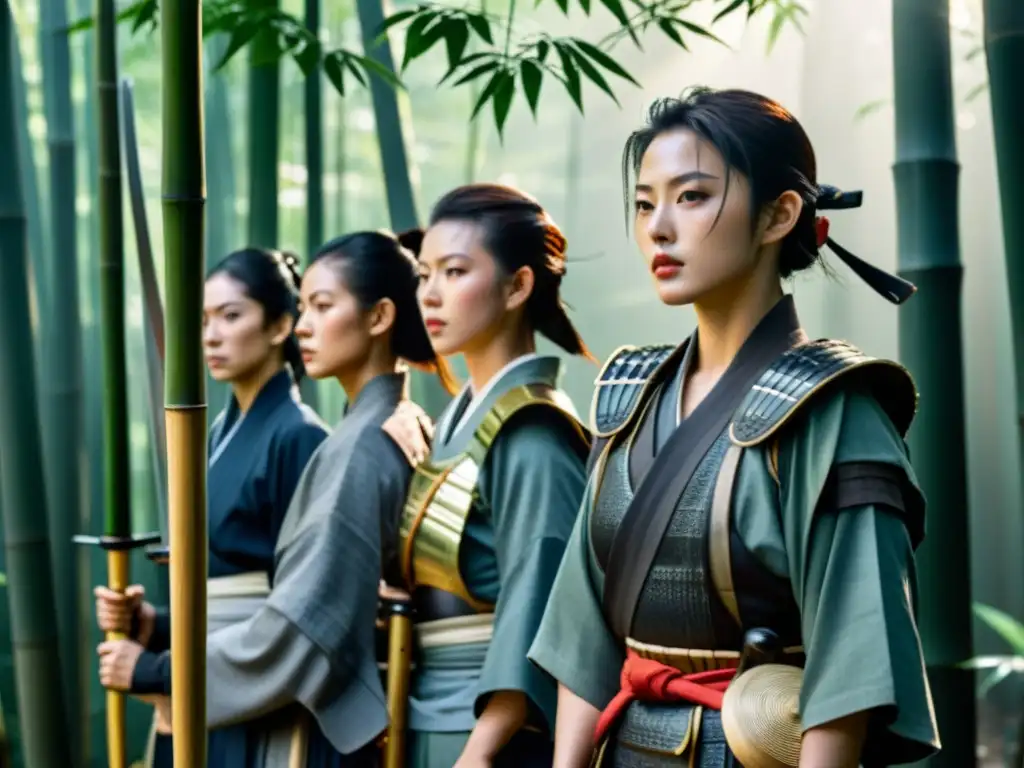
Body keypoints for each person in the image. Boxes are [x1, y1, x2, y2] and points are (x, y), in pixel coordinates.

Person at [526, 87, 941, 768]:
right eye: (643, 202)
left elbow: (852, 673)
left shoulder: (834, 410)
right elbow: (583, 627)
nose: (659, 226)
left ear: (780, 214)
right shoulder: (629, 397)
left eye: (690, 197)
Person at [95, 237, 450, 767]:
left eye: (322, 307)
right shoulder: (371, 430)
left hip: (260, 684)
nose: (305, 324)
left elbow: (305, 615)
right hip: (233, 664)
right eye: (304, 306)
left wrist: (162, 672)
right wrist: (159, 624)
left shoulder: (335, 442)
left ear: (379, 316)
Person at [385, 183, 593, 768]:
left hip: (496, 733)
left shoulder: (532, 428)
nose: (430, 294)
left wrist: (481, 749)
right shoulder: (460, 415)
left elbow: (541, 602)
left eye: (453, 272)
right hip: (431, 709)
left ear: (518, 285)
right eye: (424, 275)